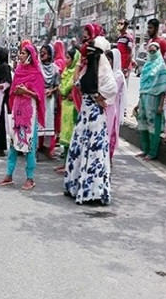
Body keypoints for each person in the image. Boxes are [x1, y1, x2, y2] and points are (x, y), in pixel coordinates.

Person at [64, 37, 117, 205]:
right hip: (93, 116)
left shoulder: (89, 70)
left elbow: (76, 83)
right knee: (94, 152)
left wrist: (95, 97)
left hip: (87, 116)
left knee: (82, 149)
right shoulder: (100, 69)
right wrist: (99, 98)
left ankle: (79, 188)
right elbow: (109, 90)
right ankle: (92, 190)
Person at [0, 43, 46, 190]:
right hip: (18, 111)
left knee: (29, 145)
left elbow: (40, 96)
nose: (20, 55)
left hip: (30, 113)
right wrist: (16, 92)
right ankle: (9, 175)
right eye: (20, 53)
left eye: (23, 53)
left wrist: (26, 91)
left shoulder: (37, 73)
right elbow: (12, 91)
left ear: (30, 55)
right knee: (14, 143)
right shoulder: (18, 70)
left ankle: (30, 178)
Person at [133, 42, 166, 161]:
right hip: (144, 98)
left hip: (155, 99)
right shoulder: (147, 65)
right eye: (150, 51)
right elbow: (142, 86)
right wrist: (138, 103)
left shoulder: (161, 66)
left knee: (154, 126)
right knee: (143, 124)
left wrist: (160, 105)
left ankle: (152, 152)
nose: (152, 53)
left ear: (158, 51)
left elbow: (164, 87)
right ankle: (145, 149)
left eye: (154, 51)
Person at [56, 46, 81, 174]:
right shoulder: (66, 70)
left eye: (68, 58)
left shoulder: (74, 74)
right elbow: (61, 89)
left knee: (70, 136)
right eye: (65, 57)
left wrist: (63, 90)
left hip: (72, 108)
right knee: (65, 136)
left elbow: (64, 89)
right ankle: (65, 163)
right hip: (65, 105)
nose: (66, 60)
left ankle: (69, 164)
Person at [38, 44, 60, 159]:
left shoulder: (55, 69)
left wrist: (51, 90)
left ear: (50, 55)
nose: (41, 54)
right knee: (38, 123)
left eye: (44, 53)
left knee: (48, 123)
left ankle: (47, 149)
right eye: (41, 52)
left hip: (50, 99)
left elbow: (57, 85)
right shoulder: (37, 67)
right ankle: (36, 149)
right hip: (39, 98)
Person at [106, 49, 127, 160]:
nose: (107, 62)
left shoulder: (118, 76)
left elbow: (112, 92)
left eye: (109, 59)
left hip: (112, 107)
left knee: (110, 131)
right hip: (105, 105)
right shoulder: (106, 73)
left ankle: (109, 157)